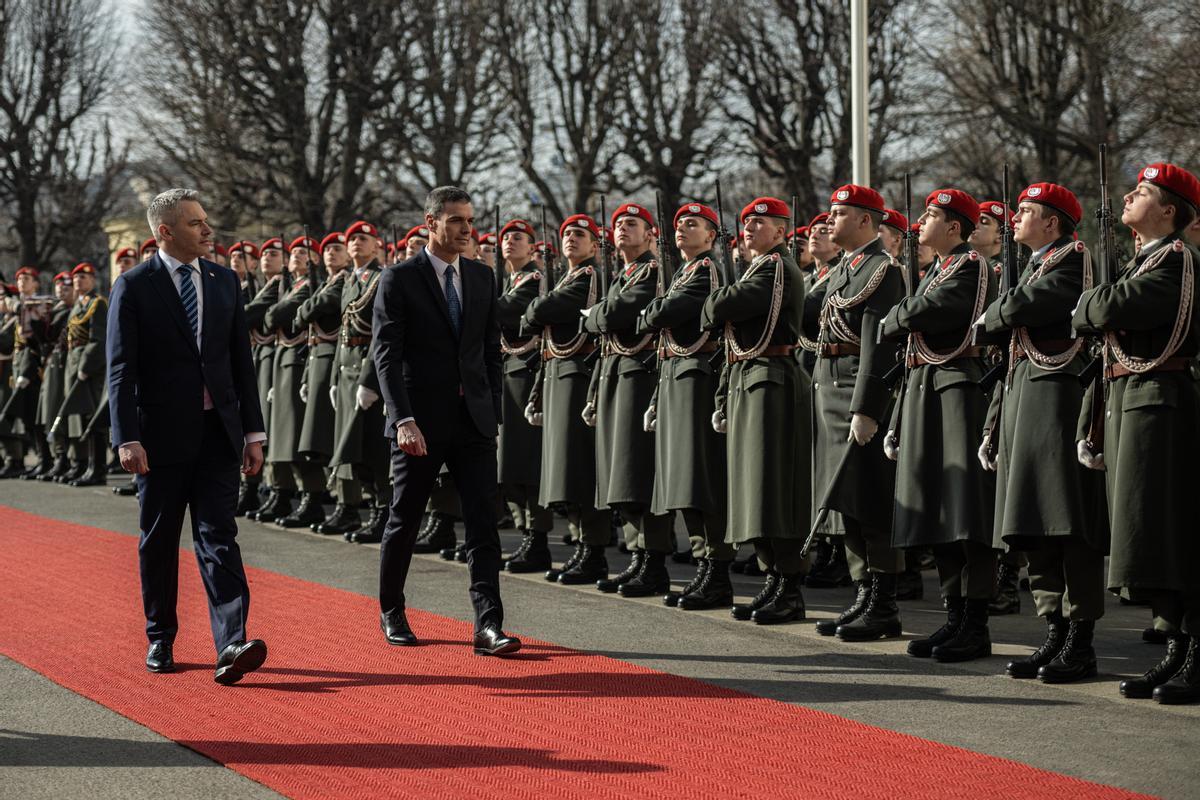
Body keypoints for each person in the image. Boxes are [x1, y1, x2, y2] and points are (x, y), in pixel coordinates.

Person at [107, 188, 268, 684]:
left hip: (219, 433)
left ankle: (231, 642)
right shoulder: (134, 286)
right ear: (165, 232)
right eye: (196, 223)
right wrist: (126, 437)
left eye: (205, 219)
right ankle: (161, 636)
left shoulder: (224, 281)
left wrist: (252, 432)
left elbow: (241, 363)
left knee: (219, 534)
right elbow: (120, 369)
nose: (207, 230)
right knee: (159, 540)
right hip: (159, 438)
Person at [372, 186, 519, 656]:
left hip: (473, 420)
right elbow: (386, 357)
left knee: (482, 522)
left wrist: (491, 405)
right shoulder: (398, 279)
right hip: (419, 424)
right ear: (430, 222)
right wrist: (403, 420)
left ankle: (488, 624)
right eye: (455, 220)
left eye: (468, 220)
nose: (465, 229)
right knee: (406, 518)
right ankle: (392, 609)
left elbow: (488, 349)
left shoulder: (481, 276)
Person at [1073, 163, 1200, 705]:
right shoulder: (1142, 261)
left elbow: (1110, 307)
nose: (1128, 196)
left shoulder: (1177, 260)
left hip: (1159, 402)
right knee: (1141, 534)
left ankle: (1194, 649)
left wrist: (1090, 307)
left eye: (1143, 192)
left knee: (1169, 530)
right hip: (1130, 400)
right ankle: (1174, 646)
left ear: (1169, 210)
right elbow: (1097, 319)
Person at [977, 182, 1108, 683]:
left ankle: (1080, 638)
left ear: (1052, 222)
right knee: (1032, 522)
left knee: (1066, 521)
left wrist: (997, 313)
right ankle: (1053, 630)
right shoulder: (1033, 264)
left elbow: (1021, 308)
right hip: (1023, 396)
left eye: (1026, 212)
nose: (1014, 219)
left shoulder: (1072, 259)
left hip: (1055, 397)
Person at [881, 188, 997, 663]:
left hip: (957, 389)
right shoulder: (938, 270)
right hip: (928, 387)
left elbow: (926, 313)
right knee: (939, 510)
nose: (919, 225)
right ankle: (953, 615)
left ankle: (976, 622)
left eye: (929, 217)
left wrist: (899, 315)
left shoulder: (970, 267)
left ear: (954, 228)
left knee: (965, 511)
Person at [701, 196, 810, 625]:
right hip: (751, 377)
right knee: (754, 489)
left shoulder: (777, 267)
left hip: (773, 379)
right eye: (746, 222)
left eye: (760, 223)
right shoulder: (758, 267)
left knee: (774, 488)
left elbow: (722, 307)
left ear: (782, 231)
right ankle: (774, 578)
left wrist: (717, 302)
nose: (748, 229)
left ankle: (789, 584)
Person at [812, 185, 906, 641]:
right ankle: (862, 594)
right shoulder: (843, 269)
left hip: (854, 389)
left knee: (868, 499)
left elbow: (877, 342)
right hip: (830, 387)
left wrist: (867, 407)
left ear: (867, 220)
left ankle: (883, 603)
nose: (830, 221)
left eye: (841, 213)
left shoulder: (881, 269)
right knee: (843, 500)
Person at [642, 203, 733, 610]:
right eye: (678, 224)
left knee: (701, 478)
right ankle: (703, 565)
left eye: (692, 224)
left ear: (711, 236)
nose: (681, 230)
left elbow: (665, 311)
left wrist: (651, 312)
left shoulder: (705, 271)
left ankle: (716, 569)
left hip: (696, 378)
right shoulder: (682, 272)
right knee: (683, 480)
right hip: (677, 378)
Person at [583, 201, 673, 597]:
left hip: (639, 374)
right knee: (622, 472)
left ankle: (652, 562)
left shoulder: (651, 272)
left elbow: (615, 314)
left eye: (632, 224)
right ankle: (638, 557)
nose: (622, 229)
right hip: (618, 373)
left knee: (639, 469)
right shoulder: (626, 273)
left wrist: (595, 315)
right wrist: (600, 315)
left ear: (651, 234)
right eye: (618, 224)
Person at [522, 215, 610, 583]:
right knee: (563, 469)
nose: (571, 240)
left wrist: (534, 311)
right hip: (559, 375)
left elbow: (540, 311)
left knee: (579, 466)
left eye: (580, 235)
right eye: (567, 235)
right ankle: (582, 546)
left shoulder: (589, 278)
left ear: (594, 246)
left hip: (577, 376)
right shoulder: (568, 278)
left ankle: (593, 550)